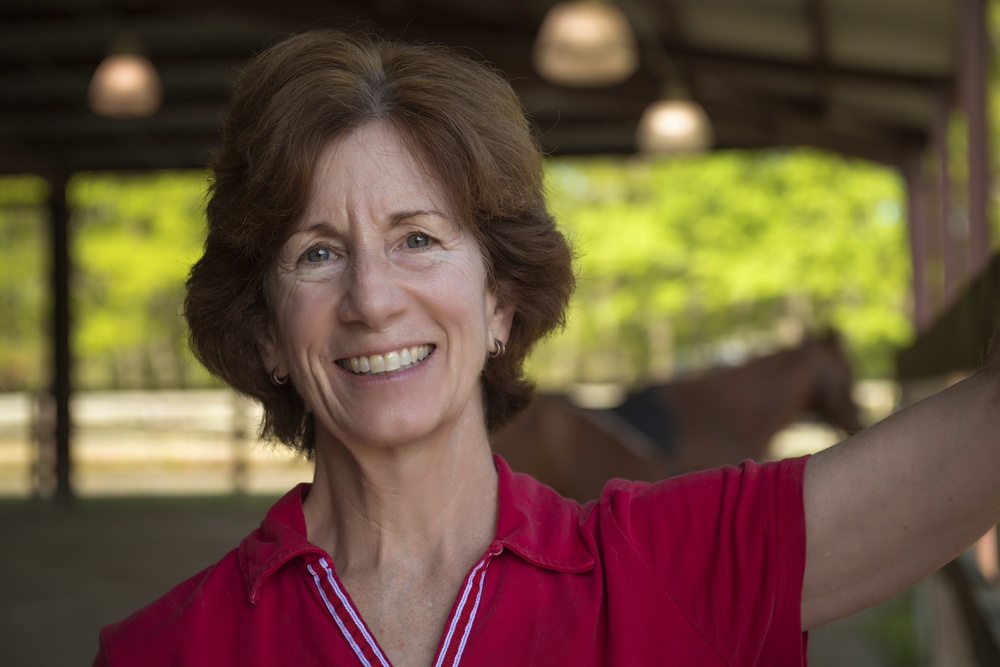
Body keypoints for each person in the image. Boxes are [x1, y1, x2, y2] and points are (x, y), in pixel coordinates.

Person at [94, 28, 1000, 667]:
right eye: (319, 252)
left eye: (418, 238)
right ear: (266, 335)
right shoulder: (161, 649)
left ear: (500, 303)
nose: (372, 298)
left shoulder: (676, 567)